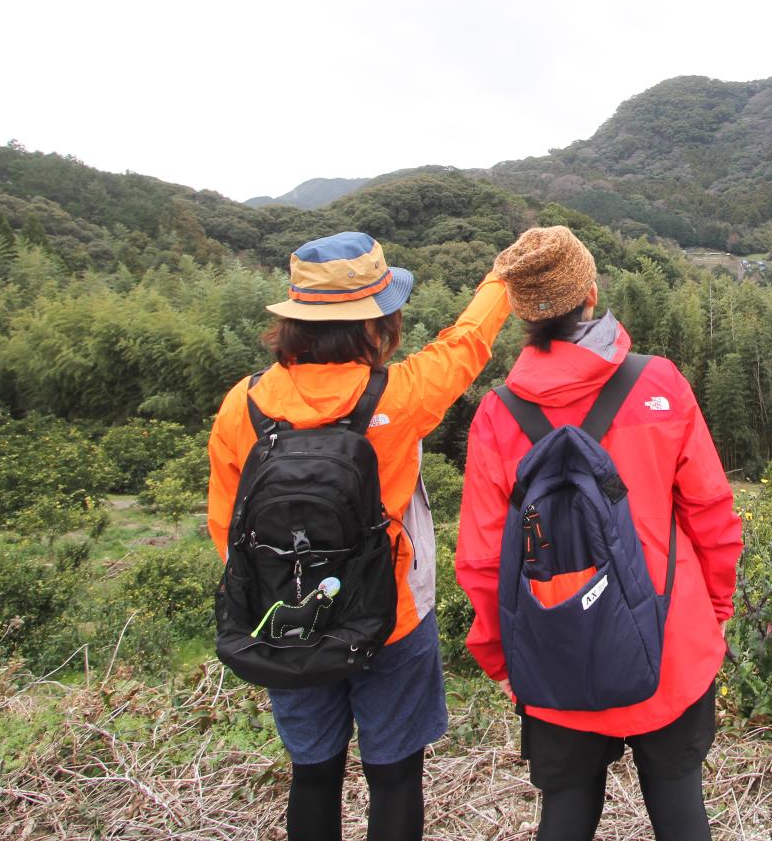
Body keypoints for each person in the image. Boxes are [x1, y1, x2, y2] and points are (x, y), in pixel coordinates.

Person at [207, 231, 510, 841]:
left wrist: (293, 590)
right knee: (395, 775)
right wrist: (501, 279)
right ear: (377, 324)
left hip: (288, 621)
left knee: (313, 774)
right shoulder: (398, 396)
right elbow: (467, 343)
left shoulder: (244, 406)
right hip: (391, 618)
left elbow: (227, 529)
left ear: (293, 322)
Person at [455, 226, 743, 841]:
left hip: (554, 644)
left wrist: (501, 657)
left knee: (564, 811)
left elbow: (482, 558)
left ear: (523, 314)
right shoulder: (659, 383)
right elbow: (711, 512)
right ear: (590, 291)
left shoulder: (498, 414)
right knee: (678, 801)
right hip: (669, 639)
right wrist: (715, 607)